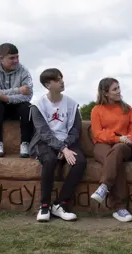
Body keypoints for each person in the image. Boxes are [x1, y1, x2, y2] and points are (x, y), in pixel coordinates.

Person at [29, 68, 87, 222]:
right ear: (48, 85)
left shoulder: (72, 104)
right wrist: (61, 148)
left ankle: (60, 204)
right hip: (45, 142)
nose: (62, 81)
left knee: (79, 161)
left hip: (68, 141)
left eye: (61, 78)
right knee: (49, 160)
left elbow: (76, 129)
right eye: (57, 79)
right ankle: (45, 205)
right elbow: (43, 133)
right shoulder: (37, 105)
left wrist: (65, 146)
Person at [89, 77, 132, 222]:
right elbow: (98, 133)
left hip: (124, 146)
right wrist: (118, 138)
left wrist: (129, 140)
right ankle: (120, 208)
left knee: (117, 152)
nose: (119, 91)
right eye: (115, 89)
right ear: (105, 93)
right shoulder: (96, 110)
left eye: (118, 87)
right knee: (116, 164)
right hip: (102, 145)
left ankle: (104, 186)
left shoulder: (126, 108)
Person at [0, 43, 34, 158]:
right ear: (1, 58)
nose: (16, 61)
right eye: (12, 58)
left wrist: (5, 97)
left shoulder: (24, 71)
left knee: (28, 107)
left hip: (18, 107)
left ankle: (25, 143)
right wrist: (18, 90)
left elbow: (28, 95)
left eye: (17, 57)